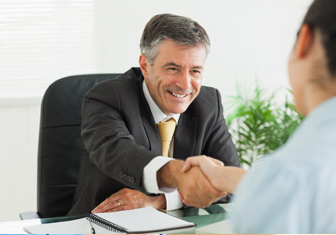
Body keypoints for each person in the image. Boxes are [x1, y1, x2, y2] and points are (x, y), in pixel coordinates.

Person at [180, 0, 336, 233]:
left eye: (195, 70)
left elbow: (283, 188)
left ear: (304, 40)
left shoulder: (288, 176)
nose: (184, 82)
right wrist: (219, 175)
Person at [68, 13, 239, 216]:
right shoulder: (106, 98)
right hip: (104, 225)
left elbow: (229, 186)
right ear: (144, 66)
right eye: (173, 68)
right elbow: (120, 152)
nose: (185, 84)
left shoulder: (208, 104)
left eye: (195, 71)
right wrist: (180, 176)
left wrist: (160, 201)